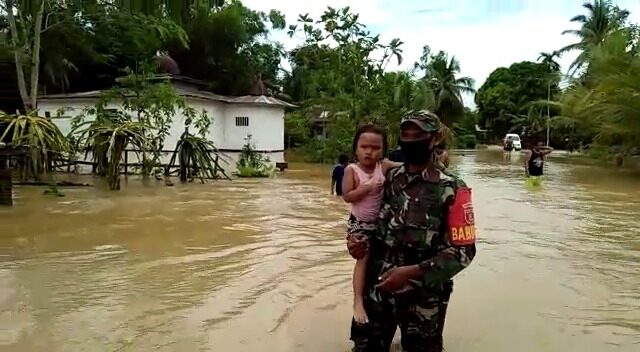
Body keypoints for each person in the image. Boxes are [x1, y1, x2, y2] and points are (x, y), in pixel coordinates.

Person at [347, 110, 477, 352]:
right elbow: (358, 215)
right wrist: (352, 238)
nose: (409, 140)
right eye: (405, 134)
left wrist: (412, 272)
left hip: (424, 299)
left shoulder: (454, 189)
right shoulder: (388, 178)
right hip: (379, 290)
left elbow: (464, 252)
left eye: (417, 135)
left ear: (434, 138)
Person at [341, 124, 398, 325]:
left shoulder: (382, 167)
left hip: (379, 223)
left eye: (375, 148)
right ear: (356, 148)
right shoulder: (352, 170)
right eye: (364, 146)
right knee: (362, 260)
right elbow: (347, 196)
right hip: (358, 223)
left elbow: (404, 165)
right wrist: (366, 188)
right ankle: (357, 300)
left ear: (382, 150)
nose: (369, 151)